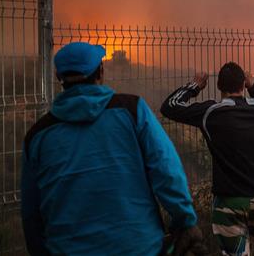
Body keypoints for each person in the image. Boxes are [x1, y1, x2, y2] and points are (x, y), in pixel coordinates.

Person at [21, 42, 204, 256]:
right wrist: (185, 220)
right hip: (139, 246)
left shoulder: (38, 136)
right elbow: (166, 169)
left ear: (58, 77)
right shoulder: (133, 110)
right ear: (101, 72)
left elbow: (31, 213)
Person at [161, 62, 254, 256]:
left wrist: (195, 85)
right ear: (242, 85)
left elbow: (169, 107)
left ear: (219, 87)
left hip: (227, 201)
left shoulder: (211, 112)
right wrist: (253, 87)